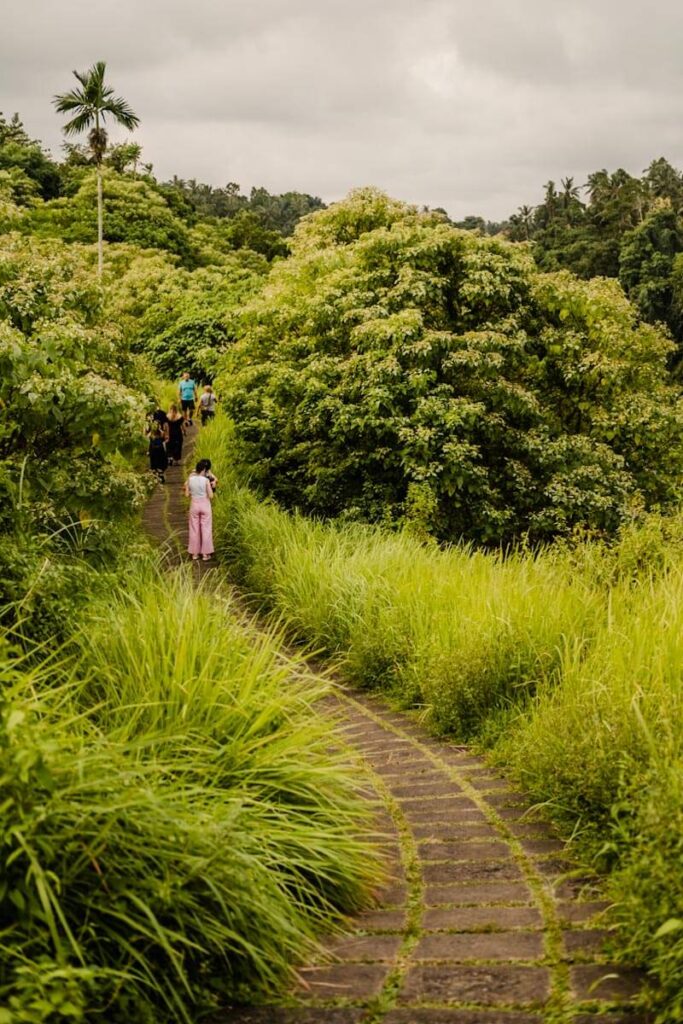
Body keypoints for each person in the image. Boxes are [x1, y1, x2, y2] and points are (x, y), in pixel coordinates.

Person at [184, 461, 214, 561]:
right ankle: (205, 554)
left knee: (194, 529)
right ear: (204, 470)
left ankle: (195, 554)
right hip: (205, 505)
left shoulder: (190, 479)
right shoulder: (205, 480)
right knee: (206, 529)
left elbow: (187, 495)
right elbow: (211, 496)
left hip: (194, 505)